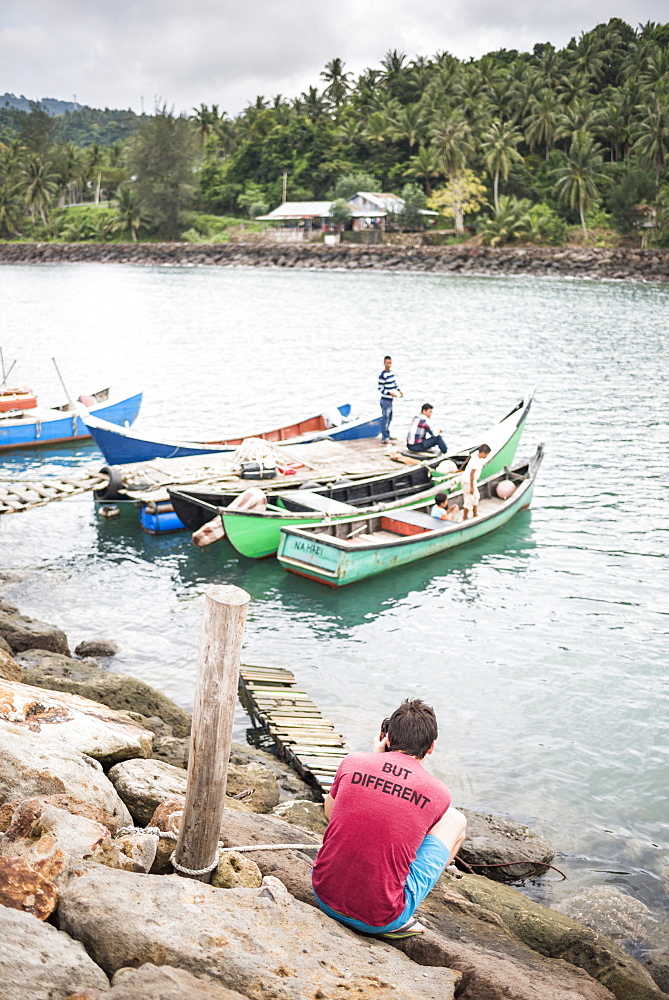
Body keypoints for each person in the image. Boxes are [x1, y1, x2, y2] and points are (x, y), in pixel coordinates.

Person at [312, 699, 467, 939]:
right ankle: (402, 913)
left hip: (323, 894)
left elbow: (329, 812)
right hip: (379, 919)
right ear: (431, 747)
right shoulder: (439, 793)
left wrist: (376, 760)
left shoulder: (353, 761)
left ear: (388, 738)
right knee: (456, 821)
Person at [461, 444, 491, 520]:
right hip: (468, 481)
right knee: (469, 499)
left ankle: (475, 514)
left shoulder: (477, 457)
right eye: (486, 454)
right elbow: (472, 474)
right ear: (483, 453)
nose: (486, 456)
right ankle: (465, 517)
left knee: (476, 496)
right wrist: (471, 487)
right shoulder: (475, 460)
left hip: (472, 481)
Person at [378, 356, 403, 444]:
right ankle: (384, 437)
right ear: (384, 363)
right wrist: (389, 393)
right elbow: (380, 388)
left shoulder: (391, 373)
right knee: (385, 418)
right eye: (387, 363)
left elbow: (394, 384)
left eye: (390, 363)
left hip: (390, 400)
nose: (389, 365)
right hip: (385, 399)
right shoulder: (382, 375)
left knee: (390, 417)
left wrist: (399, 391)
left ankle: (387, 434)